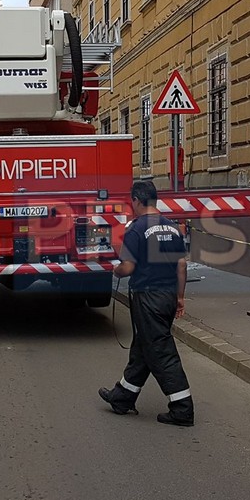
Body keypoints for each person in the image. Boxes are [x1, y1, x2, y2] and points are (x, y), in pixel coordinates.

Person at [99, 180, 194, 426]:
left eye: (132, 202)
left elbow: (128, 267)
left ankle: (182, 409)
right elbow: (181, 265)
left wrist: (116, 271)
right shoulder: (172, 228)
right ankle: (123, 397)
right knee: (143, 347)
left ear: (137, 201)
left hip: (147, 297)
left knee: (161, 352)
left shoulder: (136, 229)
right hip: (168, 296)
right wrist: (180, 298)